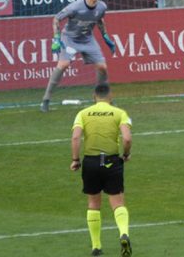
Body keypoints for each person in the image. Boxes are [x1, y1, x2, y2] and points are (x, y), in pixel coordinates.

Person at [70, 85, 132, 256]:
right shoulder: (119, 113)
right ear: (110, 96)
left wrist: (75, 160)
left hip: (91, 162)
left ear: (94, 96)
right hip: (111, 161)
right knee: (118, 203)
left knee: (93, 204)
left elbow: (76, 137)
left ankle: (96, 246)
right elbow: (126, 138)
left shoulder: (83, 113)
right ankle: (123, 233)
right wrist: (126, 154)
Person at [41, 0, 116, 113]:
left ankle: (101, 98)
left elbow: (99, 19)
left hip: (87, 39)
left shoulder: (102, 7)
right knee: (63, 64)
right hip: (69, 39)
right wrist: (57, 39)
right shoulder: (75, 7)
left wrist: (105, 36)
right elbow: (56, 19)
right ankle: (46, 100)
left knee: (102, 67)